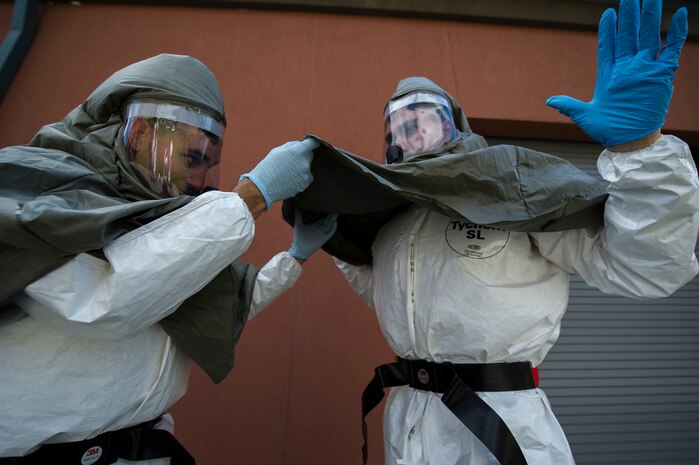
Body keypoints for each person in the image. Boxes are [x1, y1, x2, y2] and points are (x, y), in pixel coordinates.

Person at [307, 1, 698, 464]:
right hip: (408, 423)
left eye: (422, 122)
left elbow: (644, 266)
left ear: (456, 125)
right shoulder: (395, 219)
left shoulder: (513, 191)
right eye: (399, 129)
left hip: (499, 427)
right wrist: (338, 240)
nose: (409, 139)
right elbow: (388, 293)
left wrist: (641, 150)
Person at [0, 54, 333, 464]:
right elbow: (105, 303)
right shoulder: (43, 190)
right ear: (139, 133)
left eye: (210, 164)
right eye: (192, 159)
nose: (198, 181)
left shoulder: (155, 217)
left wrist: (294, 258)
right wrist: (251, 197)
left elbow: (213, 303)